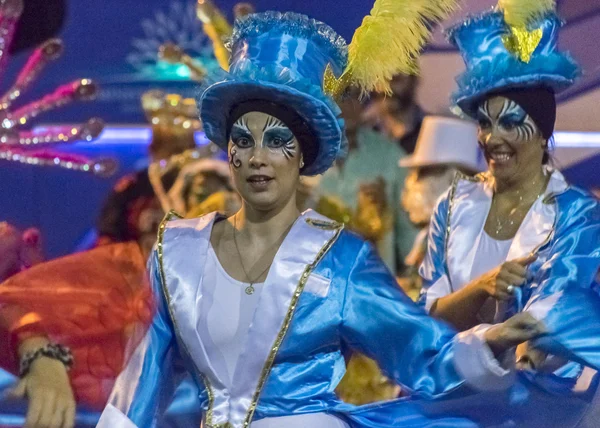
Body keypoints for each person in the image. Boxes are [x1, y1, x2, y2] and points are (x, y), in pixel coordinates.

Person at [92, 8, 546, 427]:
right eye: (243, 141)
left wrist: (491, 342)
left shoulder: (339, 260)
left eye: (276, 140)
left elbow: (422, 351)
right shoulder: (177, 255)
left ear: (302, 155)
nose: (257, 158)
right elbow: (140, 382)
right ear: (227, 151)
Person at [418, 0, 600, 426]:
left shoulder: (575, 213)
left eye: (510, 122)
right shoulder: (453, 205)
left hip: (547, 400)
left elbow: (545, 319)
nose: (492, 137)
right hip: (455, 387)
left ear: (542, 131)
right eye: (484, 122)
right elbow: (428, 318)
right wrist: (481, 288)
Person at [315, 91, 417, 274]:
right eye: (338, 95)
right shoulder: (297, 158)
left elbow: (411, 239)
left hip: (374, 287)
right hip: (312, 288)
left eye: (353, 94)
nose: (347, 105)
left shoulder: (390, 156)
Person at [96, 91, 206, 258]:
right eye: (166, 149)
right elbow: (108, 237)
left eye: (179, 151)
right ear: (153, 149)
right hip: (138, 272)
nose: (174, 160)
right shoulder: (132, 188)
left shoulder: (205, 184)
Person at [399, 116, 484, 299]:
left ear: (453, 178)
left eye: (426, 172)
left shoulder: (464, 236)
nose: (413, 182)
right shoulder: (428, 234)